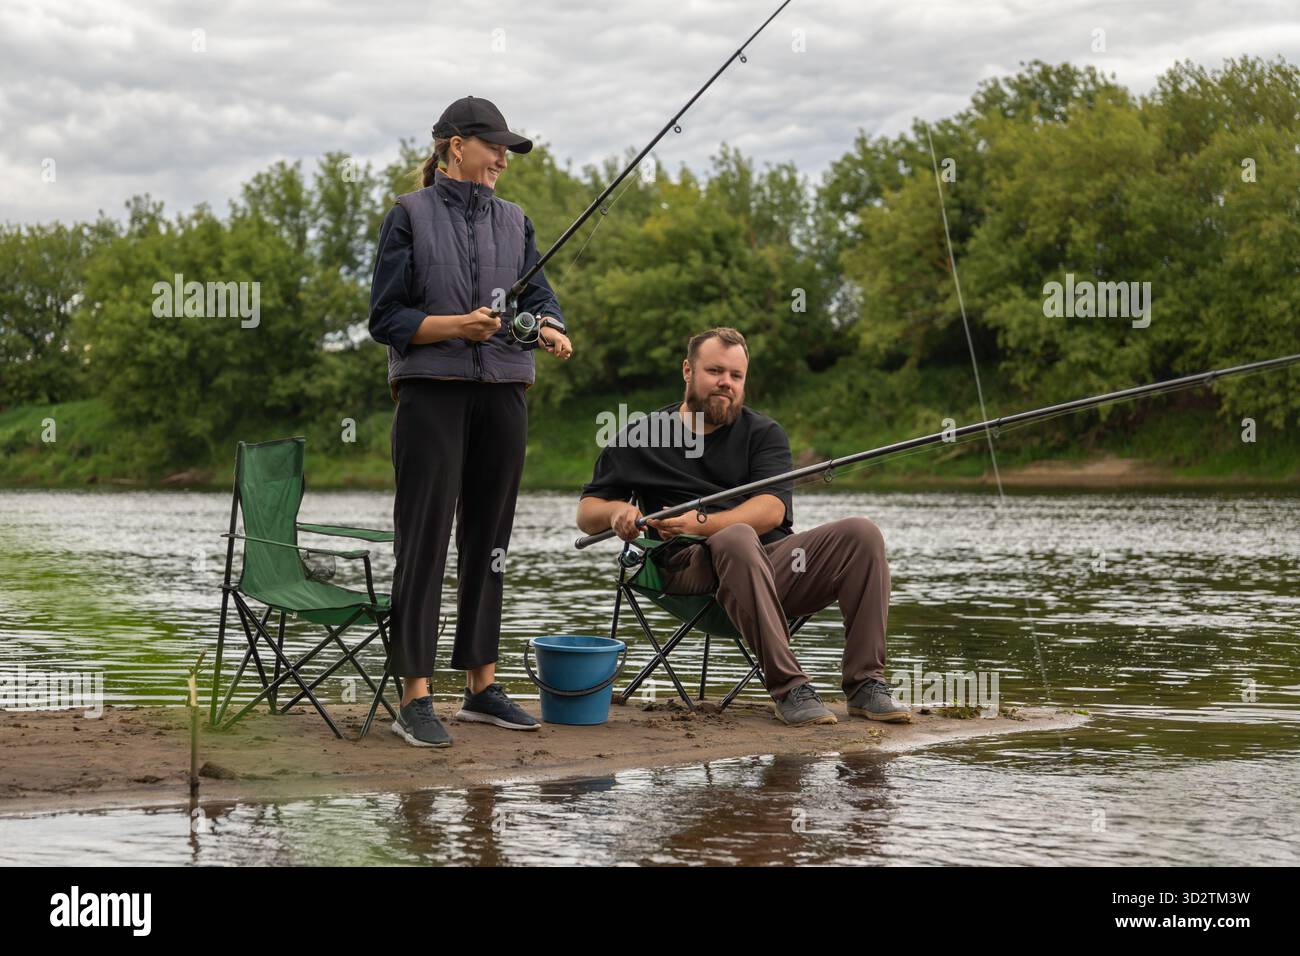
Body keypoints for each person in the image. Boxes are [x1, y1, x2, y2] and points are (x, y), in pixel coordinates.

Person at [369, 95, 574, 748]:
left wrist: (549, 326)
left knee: (491, 543)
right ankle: (415, 697)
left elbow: (538, 293)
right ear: (457, 145)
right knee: (423, 540)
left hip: (505, 392)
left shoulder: (516, 221)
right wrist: (453, 327)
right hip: (432, 391)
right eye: (496, 148)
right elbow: (386, 317)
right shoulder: (408, 215)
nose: (503, 163)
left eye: (510, 152)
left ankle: (482, 688)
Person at [575, 327, 910, 726]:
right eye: (715, 371)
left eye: (736, 376)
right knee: (735, 537)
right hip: (684, 570)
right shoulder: (641, 435)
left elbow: (771, 509)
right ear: (687, 370)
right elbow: (587, 510)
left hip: (772, 568)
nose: (726, 383)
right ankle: (790, 689)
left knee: (862, 533)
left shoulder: (764, 433)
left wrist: (702, 522)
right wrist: (616, 513)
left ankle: (866, 685)